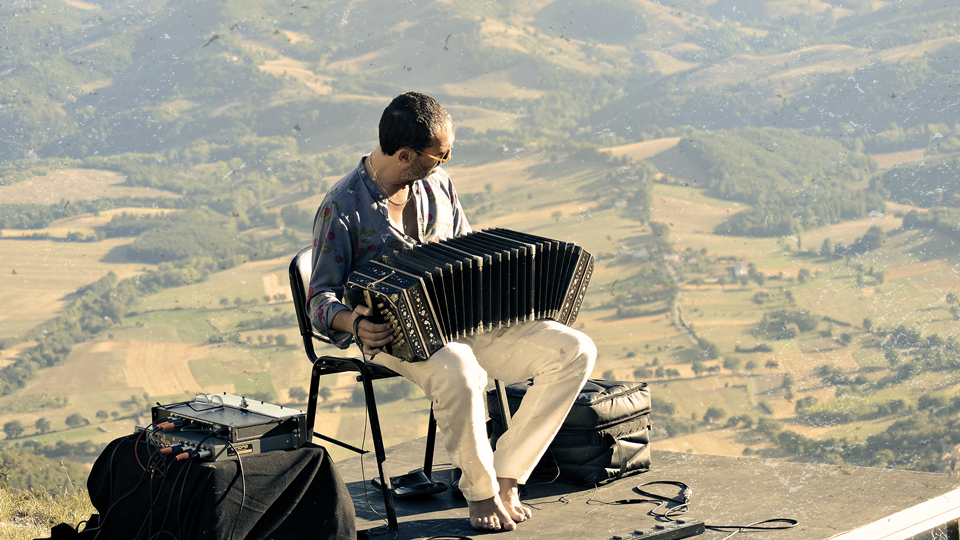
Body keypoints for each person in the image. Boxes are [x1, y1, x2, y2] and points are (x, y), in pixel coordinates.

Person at [307, 92, 596, 532]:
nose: (445, 163)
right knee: (461, 369)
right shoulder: (342, 207)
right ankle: (479, 492)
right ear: (404, 155)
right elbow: (320, 299)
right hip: (392, 335)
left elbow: (464, 255)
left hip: (462, 323)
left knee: (574, 349)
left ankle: (507, 476)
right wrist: (356, 324)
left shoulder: (438, 185)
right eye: (438, 156)